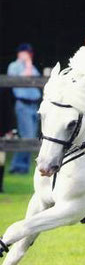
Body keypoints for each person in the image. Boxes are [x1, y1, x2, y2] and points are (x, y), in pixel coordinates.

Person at [7, 43, 41, 174]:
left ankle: (22, 168)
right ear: (20, 53)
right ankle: (17, 166)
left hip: (34, 104)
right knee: (28, 137)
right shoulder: (14, 66)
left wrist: (29, 64)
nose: (30, 54)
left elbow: (37, 80)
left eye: (30, 52)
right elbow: (25, 78)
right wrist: (27, 63)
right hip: (23, 104)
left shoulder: (31, 66)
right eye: (27, 52)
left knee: (31, 137)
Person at [0, 88, 16, 191]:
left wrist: (11, 129)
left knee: (1, 160)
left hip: (2, 129)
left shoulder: (4, 90)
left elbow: (9, 108)